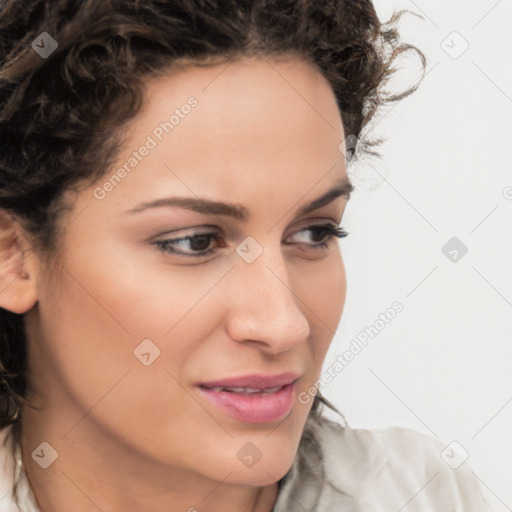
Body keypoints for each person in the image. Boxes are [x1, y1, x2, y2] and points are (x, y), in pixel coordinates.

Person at [0, 1, 489, 511]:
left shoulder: (423, 495)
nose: (284, 325)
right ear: (13, 255)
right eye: (194, 241)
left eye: (315, 232)